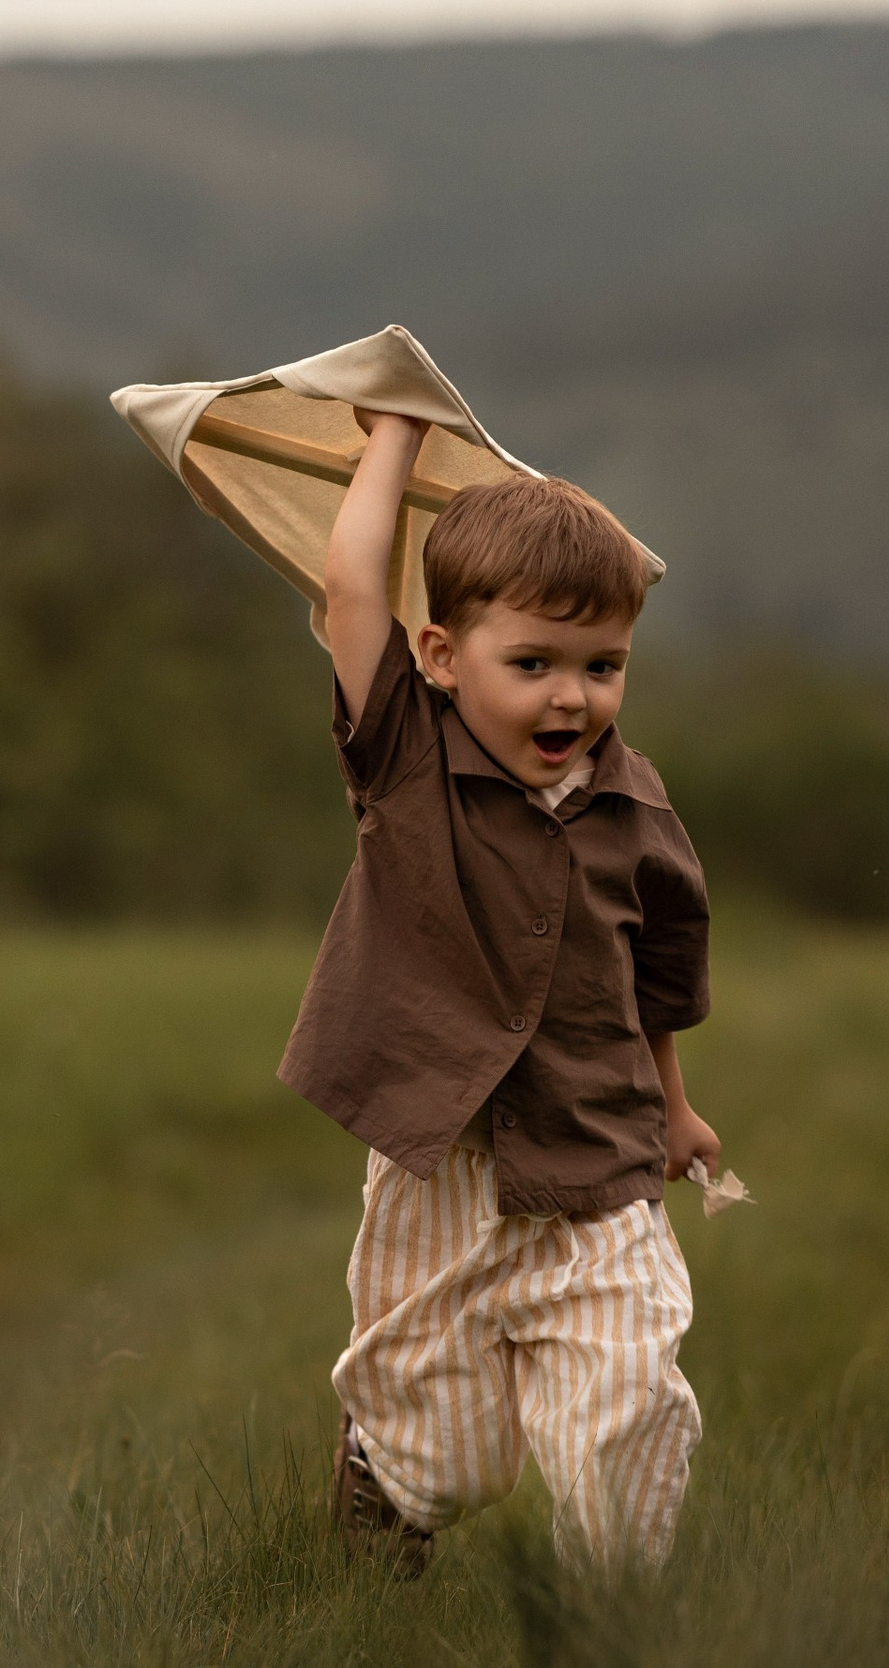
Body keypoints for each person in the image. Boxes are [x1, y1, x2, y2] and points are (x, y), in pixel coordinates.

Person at [279, 411, 722, 1578]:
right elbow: (348, 586)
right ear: (440, 657)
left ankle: (613, 1649)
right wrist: (397, 434)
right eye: (530, 664)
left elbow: (656, 980)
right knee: (454, 1457)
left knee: (627, 1403)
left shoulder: (639, 808)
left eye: (601, 666)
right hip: (443, 1165)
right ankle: (384, 1476)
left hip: (598, 1155)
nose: (569, 698)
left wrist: (673, 1109)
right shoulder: (404, 763)